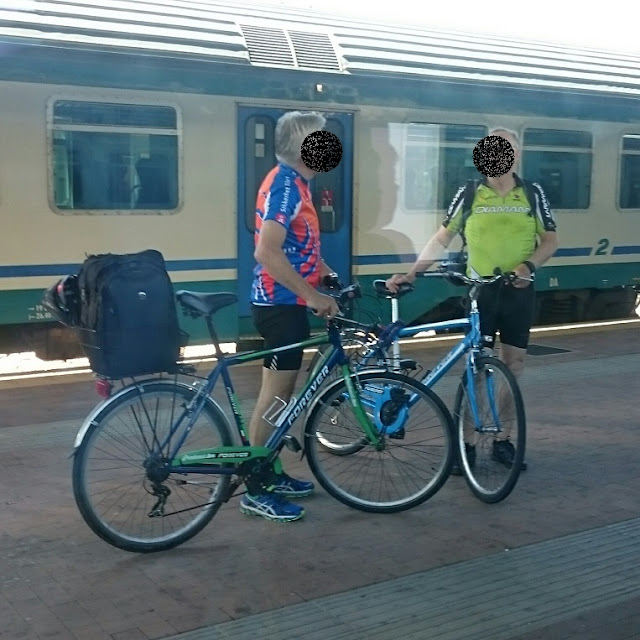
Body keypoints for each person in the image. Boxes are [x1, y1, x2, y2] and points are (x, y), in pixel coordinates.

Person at [386, 127, 558, 470]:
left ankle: (501, 439)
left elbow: (550, 240)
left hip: (519, 291)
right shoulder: (469, 193)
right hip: (481, 292)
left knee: (514, 366)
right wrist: (413, 272)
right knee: (477, 370)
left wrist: (528, 266)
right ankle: (466, 443)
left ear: (516, 155)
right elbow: (442, 237)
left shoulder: (532, 194)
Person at [241, 110, 340, 522]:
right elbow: (266, 251)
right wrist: (312, 295)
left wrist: (324, 272)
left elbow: (298, 246)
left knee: (277, 397)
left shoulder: (294, 183)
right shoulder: (286, 185)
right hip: (281, 306)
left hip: (282, 302)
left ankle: (270, 468)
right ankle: (255, 488)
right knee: (274, 399)